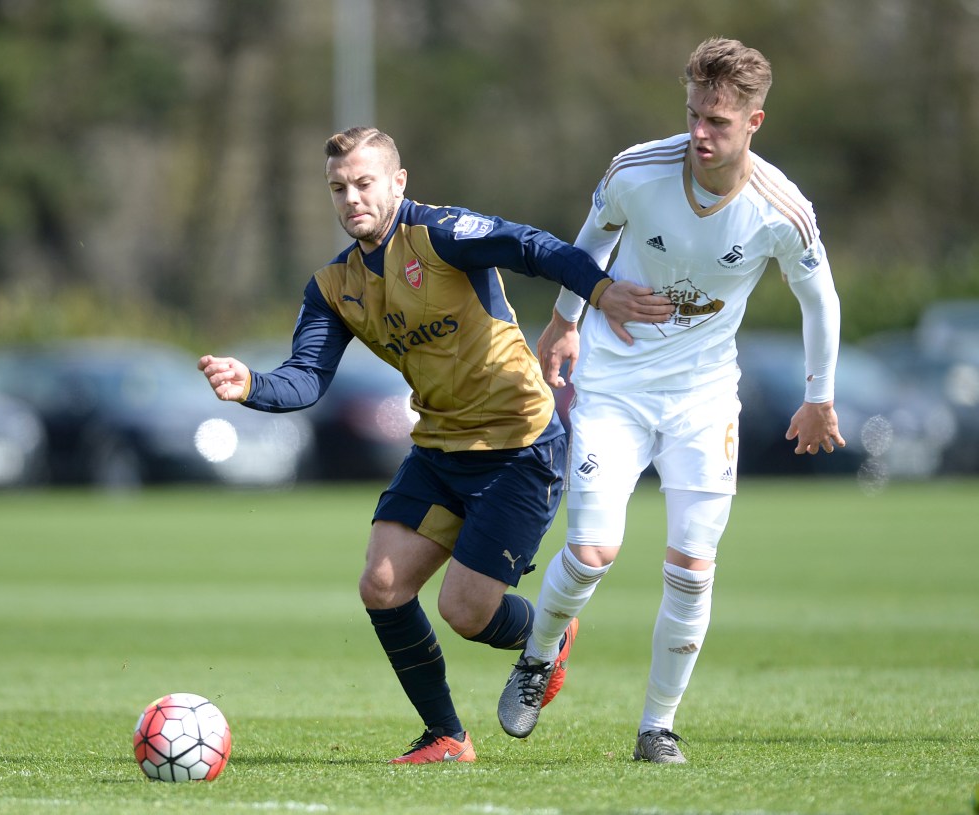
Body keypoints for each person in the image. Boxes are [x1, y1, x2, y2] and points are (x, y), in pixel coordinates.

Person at [198, 126, 674, 764]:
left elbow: (532, 247)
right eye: (338, 188)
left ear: (398, 182)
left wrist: (599, 292)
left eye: (365, 183)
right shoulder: (333, 286)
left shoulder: (442, 234)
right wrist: (250, 384)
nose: (351, 199)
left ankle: (547, 637)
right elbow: (306, 377)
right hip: (439, 449)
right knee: (382, 585)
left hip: (519, 446)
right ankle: (447, 736)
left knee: (466, 612)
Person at [496, 37, 845, 763]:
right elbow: (587, 243)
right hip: (616, 385)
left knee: (692, 566)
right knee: (591, 554)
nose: (699, 133)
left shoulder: (782, 210)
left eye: (717, 120)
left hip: (704, 399)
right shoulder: (636, 171)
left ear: (754, 123)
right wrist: (565, 320)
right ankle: (538, 655)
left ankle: (658, 725)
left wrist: (820, 396)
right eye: (693, 113)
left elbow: (821, 300)